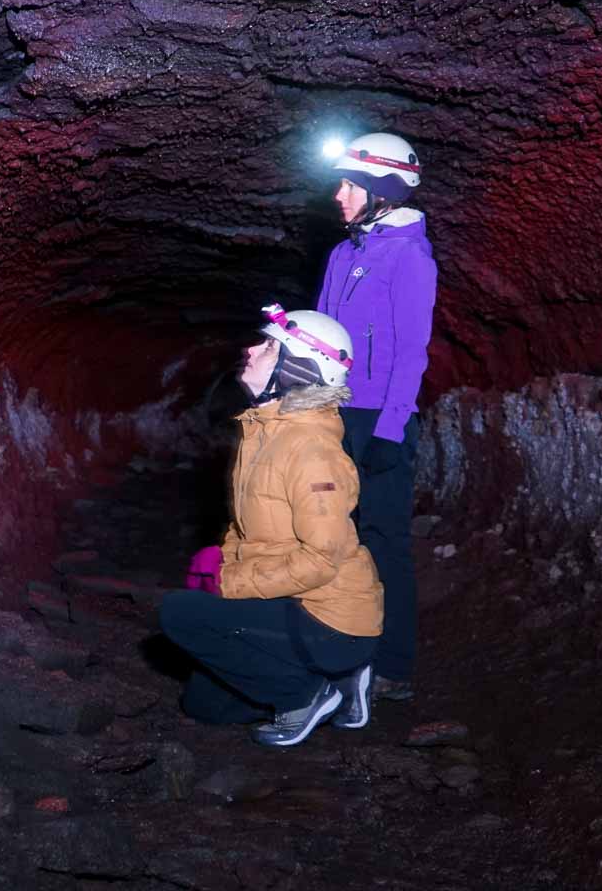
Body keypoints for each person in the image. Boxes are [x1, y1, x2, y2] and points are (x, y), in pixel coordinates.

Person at [162, 304, 383, 747]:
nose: (251, 349)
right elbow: (248, 526)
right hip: (291, 602)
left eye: (268, 346)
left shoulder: (312, 450)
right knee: (203, 706)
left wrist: (229, 582)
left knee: (178, 612)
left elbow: (320, 560)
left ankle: (306, 693)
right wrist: (223, 557)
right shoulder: (265, 429)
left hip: (330, 617)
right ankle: (337, 681)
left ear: (297, 369)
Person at [316, 132, 436, 702]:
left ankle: (394, 664)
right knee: (327, 533)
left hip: (379, 419)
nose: (339, 196)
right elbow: (322, 338)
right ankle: (336, 648)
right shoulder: (344, 253)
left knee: (384, 540)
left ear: (383, 189)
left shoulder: (409, 256)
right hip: (335, 413)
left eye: (350, 185)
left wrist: (390, 430)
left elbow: (412, 352)